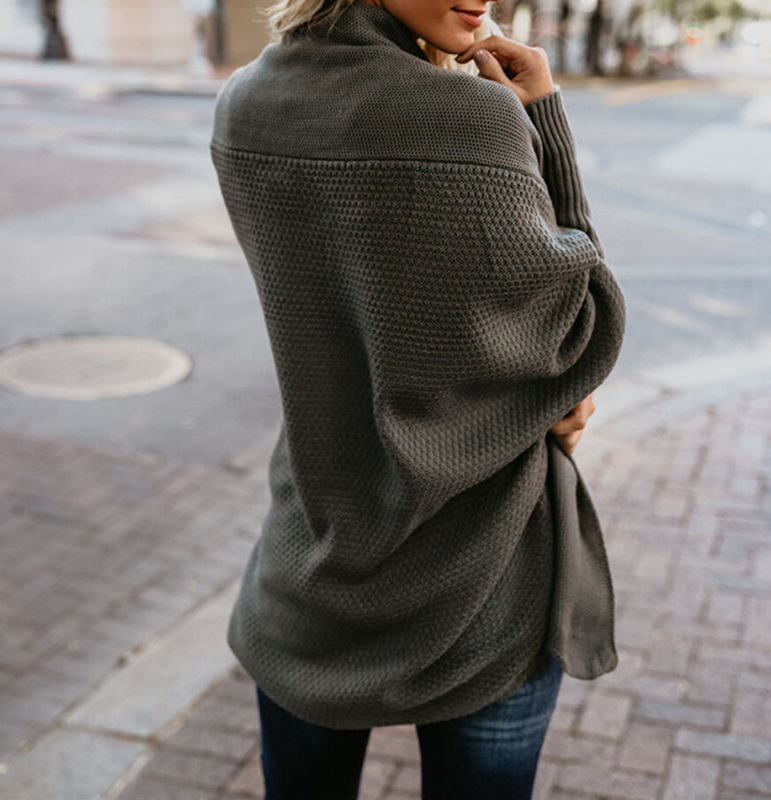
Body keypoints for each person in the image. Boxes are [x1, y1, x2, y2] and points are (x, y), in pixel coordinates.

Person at [209, 1, 626, 798]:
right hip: (484, 583)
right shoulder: (471, 116)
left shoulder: (245, 102)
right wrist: (543, 119)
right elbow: (581, 328)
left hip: (312, 565)